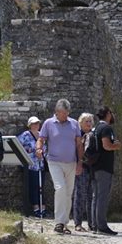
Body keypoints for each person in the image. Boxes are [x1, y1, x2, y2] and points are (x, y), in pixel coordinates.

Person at [37, 99, 83, 235]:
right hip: (54, 161)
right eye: (62, 113)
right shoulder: (48, 123)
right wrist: (39, 148)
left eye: (66, 113)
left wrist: (80, 162)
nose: (64, 115)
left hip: (71, 163)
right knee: (60, 189)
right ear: (56, 112)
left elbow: (79, 144)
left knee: (68, 193)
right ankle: (58, 221)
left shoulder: (74, 124)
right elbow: (41, 139)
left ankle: (63, 222)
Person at [91, 106, 122, 235]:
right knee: (102, 197)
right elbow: (106, 145)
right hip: (104, 167)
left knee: (96, 196)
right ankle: (102, 226)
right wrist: (117, 146)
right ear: (108, 114)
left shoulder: (96, 128)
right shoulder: (106, 128)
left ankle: (94, 225)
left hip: (94, 166)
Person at [18, 116, 47, 217]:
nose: (36, 125)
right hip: (30, 165)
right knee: (33, 186)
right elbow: (18, 146)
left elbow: (46, 148)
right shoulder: (25, 135)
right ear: (30, 125)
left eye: (38, 123)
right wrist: (30, 151)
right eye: (34, 124)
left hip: (40, 164)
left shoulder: (41, 135)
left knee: (41, 186)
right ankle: (35, 207)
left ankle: (42, 206)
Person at [72, 112, 96, 232]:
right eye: (86, 121)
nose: (89, 123)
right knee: (80, 195)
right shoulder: (77, 135)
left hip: (92, 169)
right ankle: (78, 223)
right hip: (81, 167)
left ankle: (92, 224)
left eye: (90, 121)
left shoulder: (94, 135)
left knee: (91, 196)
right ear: (80, 123)